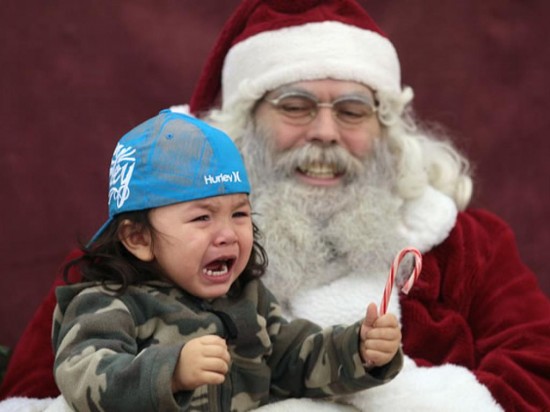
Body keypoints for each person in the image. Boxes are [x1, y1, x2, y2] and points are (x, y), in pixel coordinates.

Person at [1, 0, 550, 411]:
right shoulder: (135, 253)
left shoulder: (463, 242)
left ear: (386, 130)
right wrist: (165, 374)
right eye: (295, 105)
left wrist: (382, 371)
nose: (326, 133)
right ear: (243, 124)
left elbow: (537, 369)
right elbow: (35, 392)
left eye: (354, 111)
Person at [49, 109, 402, 411]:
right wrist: (172, 372)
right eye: (202, 218)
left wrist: (360, 350)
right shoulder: (110, 302)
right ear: (138, 238)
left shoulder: (248, 298)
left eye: (239, 214)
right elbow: (82, 375)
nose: (228, 234)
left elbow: (296, 358)